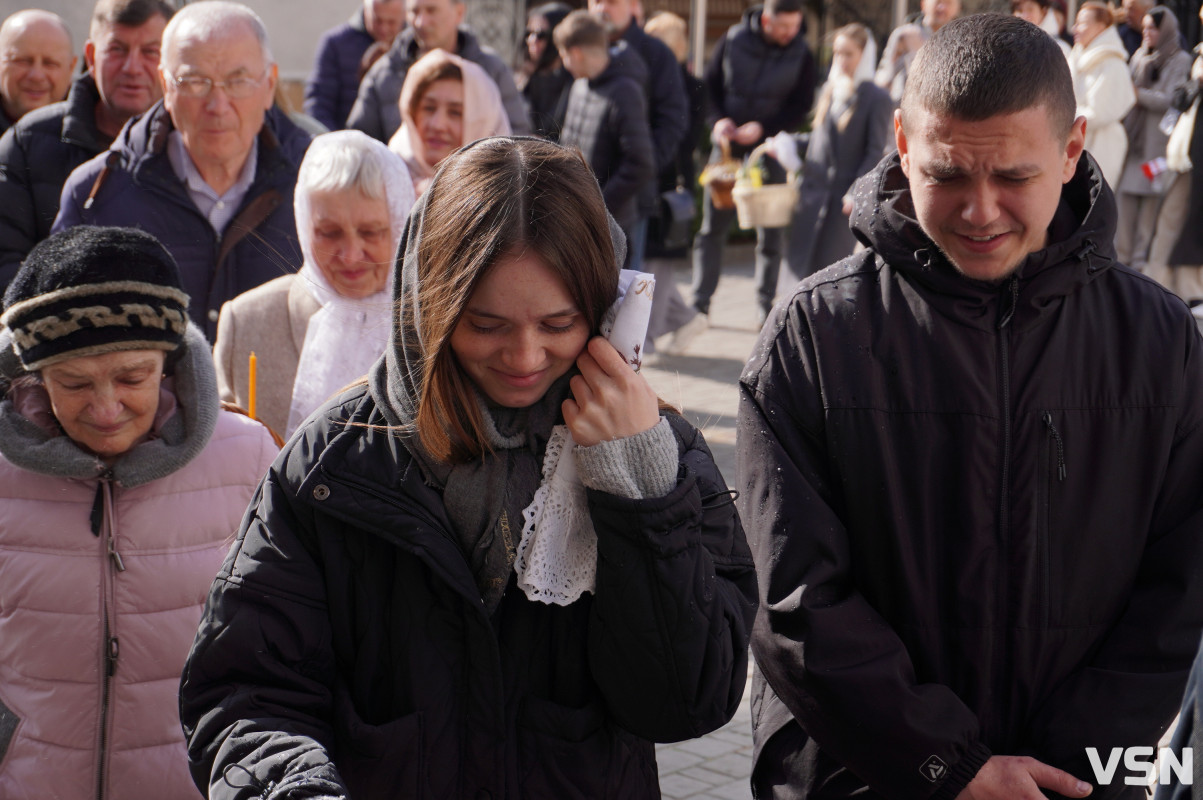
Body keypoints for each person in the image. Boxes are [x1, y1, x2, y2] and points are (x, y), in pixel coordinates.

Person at [179, 135, 756, 800]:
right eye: (485, 324)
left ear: (603, 308)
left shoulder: (661, 454)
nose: (524, 356)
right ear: (429, 305)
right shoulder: (336, 461)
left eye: (558, 323)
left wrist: (640, 493)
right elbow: (245, 692)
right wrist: (295, 785)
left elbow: (687, 701)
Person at [740, 13, 1203, 800]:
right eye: (947, 175)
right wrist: (943, 765)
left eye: (1013, 178)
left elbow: (1178, 590)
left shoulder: (1160, 342)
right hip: (861, 776)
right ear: (902, 142)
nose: (979, 210)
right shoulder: (812, 335)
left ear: (1071, 149)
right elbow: (794, 596)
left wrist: (1061, 770)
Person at [0, 225, 278, 799]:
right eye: (73, 383)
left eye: (132, 377)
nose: (106, 409)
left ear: (169, 364)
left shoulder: (248, 456)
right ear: (34, 375)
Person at [53, 0, 312, 341]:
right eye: (194, 81)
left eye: (237, 81)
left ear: (269, 85)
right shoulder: (96, 194)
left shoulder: (315, 184)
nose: (217, 105)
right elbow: (58, 331)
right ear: (166, 85)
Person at [214, 131, 414, 438]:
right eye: (330, 233)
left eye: (371, 232)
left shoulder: (430, 323)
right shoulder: (247, 321)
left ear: (400, 226)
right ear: (305, 227)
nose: (350, 255)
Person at [0, 0, 174, 291]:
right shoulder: (26, 142)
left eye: (150, 52)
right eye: (117, 49)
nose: (132, 68)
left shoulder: (196, 146)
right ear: (91, 57)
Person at [691, 0, 815, 331]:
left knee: (771, 231)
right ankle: (700, 304)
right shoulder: (733, 39)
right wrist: (718, 121)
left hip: (770, 150)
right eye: (784, 26)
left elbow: (802, 105)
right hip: (727, 151)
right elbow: (709, 86)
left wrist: (765, 128)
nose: (791, 33)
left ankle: (764, 305)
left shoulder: (802, 52)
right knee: (711, 229)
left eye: (795, 26)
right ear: (765, 21)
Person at [774, 22, 891, 290]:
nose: (841, 60)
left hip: (841, 203)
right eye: (837, 53)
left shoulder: (876, 98)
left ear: (864, 55)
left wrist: (855, 191)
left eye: (848, 53)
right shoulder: (830, 89)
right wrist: (788, 142)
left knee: (828, 277)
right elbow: (820, 141)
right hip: (812, 195)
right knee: (795, 275)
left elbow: (874, 151)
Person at [589, 0, 688, 271]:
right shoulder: (583, 49)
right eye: (595, 1)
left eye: (611, 1)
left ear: (632, 5)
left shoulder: (656, 53)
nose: (602, 8)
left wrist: (643, 168)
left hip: (631, 195)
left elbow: (673, 120)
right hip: (583, 192)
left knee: (624, 284)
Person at [347, 0, 529, 144]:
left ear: (459, 12)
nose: (421, 22)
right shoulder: (383, 73)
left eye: (431, 10)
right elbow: (361, 143)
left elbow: (518, 138)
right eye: (414, 12)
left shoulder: (492, 69)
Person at [641, 10, 707, 359]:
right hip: (654, 181)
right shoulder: (647, 78)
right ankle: (687, 319)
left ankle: (647, 338)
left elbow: (685, 140)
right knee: (651, 262)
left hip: (671, 186)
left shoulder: (689, 86)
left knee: (658, 262)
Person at [556, 10, 654, 242]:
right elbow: (567, 148)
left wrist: (599, 206)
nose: (564, 64)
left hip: (612, 226)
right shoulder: (580, 86)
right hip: (578, 218)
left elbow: (640, 164)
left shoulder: (625, 92)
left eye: (563, 55)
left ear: (576, 53)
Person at [1114, 6, 1191, 272]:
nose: (1146, 32)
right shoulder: (1139, 56)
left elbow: (1171, 100)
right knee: (1124, 209)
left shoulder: (1180, 60)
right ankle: (1120, 264)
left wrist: (1138, 94)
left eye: (1152, 28)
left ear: (1165, 30)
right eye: (1144, 27)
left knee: (1148, 215)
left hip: (1156, 147)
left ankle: (1139, 270)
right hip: (1133, 144)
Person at [387, 48, 510, 196]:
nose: (438, 125)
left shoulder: (506, 195)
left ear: (483, 124)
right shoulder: (384, 176)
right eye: (429, 108)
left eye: (455, 113)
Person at [1145, 8, 1203, 306]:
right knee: (1172, 212)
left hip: (1195, 149)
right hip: (1187, 148)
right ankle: (1157, 283)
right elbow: (1182, 99)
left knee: (1194, 220)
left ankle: (1191, 290)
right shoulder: (1198, 53)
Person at [304, 0, 406, 132]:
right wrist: (333, 140)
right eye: (377, 20)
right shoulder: (335, 44)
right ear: (365, 10)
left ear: (404, 15)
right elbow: (319, 104)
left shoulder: (415, 46)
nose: (384, 29)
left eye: (391, 22)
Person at [1069, 1, 1135, 188]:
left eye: (1082, 23)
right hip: (1077, 141)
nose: (1074, 28)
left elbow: (1100, 112)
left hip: (1102, 147)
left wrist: (1062, 116)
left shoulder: (1113, 65)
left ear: (1100, 27)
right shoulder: (1076, 57)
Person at [0, 10, 76, 135]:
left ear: (71, 68)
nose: (36, 76)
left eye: (50, 63)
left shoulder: (99, 130)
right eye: (23, 61)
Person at [875, 0, 960, 103]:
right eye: (938, 2)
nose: (942, 8)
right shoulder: (906, 35)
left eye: (948, 3)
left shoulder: (959, 43)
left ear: (957, 8)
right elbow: (884, 76)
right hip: (904, 104)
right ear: (923, 4)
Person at [517, 2, 572, 139]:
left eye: (540, 35)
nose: (532, 40)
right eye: (529, 33)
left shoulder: (576, 83)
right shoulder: (525, 80)